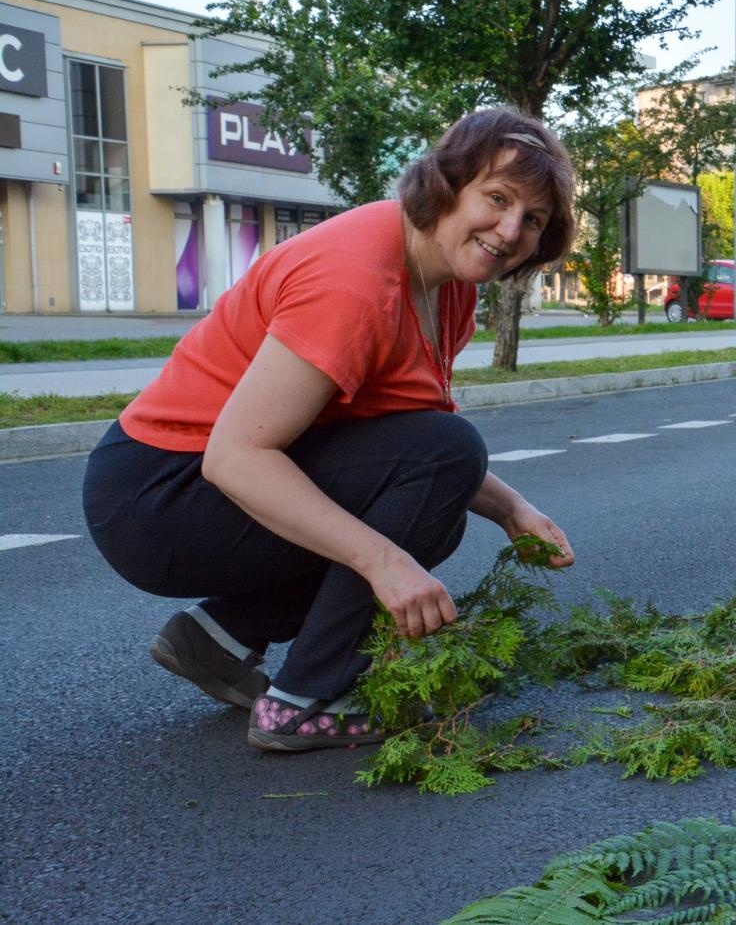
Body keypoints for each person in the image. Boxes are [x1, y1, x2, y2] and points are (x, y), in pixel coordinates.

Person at [81, 108, 578, 752]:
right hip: (157, 496)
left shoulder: (445, 281)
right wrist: (385, 563)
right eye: (498, 198)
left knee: (440, 502)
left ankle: (218, 639)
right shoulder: (356, 281)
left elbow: (410, 442)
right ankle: (308, 697)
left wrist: (511, 508)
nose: (510, 230)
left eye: (532, 219)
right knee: (436, 476)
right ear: (447, 183)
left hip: (184, 485)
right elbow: (234, 457)